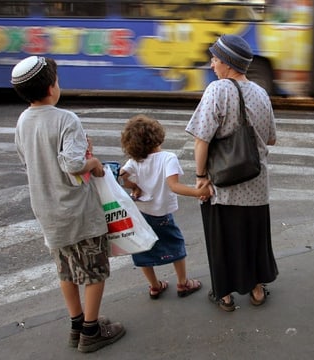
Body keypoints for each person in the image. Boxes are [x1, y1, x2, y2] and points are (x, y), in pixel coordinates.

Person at [12, 56, 125, 353]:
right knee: (95, 271)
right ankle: (91, 332)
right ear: (51, 88)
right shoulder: (65, 119)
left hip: (47, 210)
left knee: (66, 270)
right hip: (78, 211)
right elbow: (74, 164)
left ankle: (77, 324)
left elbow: (27, 161)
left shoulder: (23, 120)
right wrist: (95, 163)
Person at [185, 34, 278, 312]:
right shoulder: (262, 93)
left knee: (222, 239)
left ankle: (224, 295)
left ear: (228, 63)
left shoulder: (218, 90)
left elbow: (201, 139)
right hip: (257, 184)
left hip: (224, 184)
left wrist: (201, 176)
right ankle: (257, 289)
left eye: (215, 59)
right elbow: (271, 138)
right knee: (253, 239)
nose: (212, 65)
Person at [119, 114, 209, 300]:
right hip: (161, 215)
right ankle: (183, 283)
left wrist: (135, 186)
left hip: (141, 214)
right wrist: (198, 192)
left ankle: (154, 286)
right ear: (158, 135)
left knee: (142, 248)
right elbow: (174, 186)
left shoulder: (134, 161)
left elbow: (122, 176)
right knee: (176, 245)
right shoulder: (168, 158)